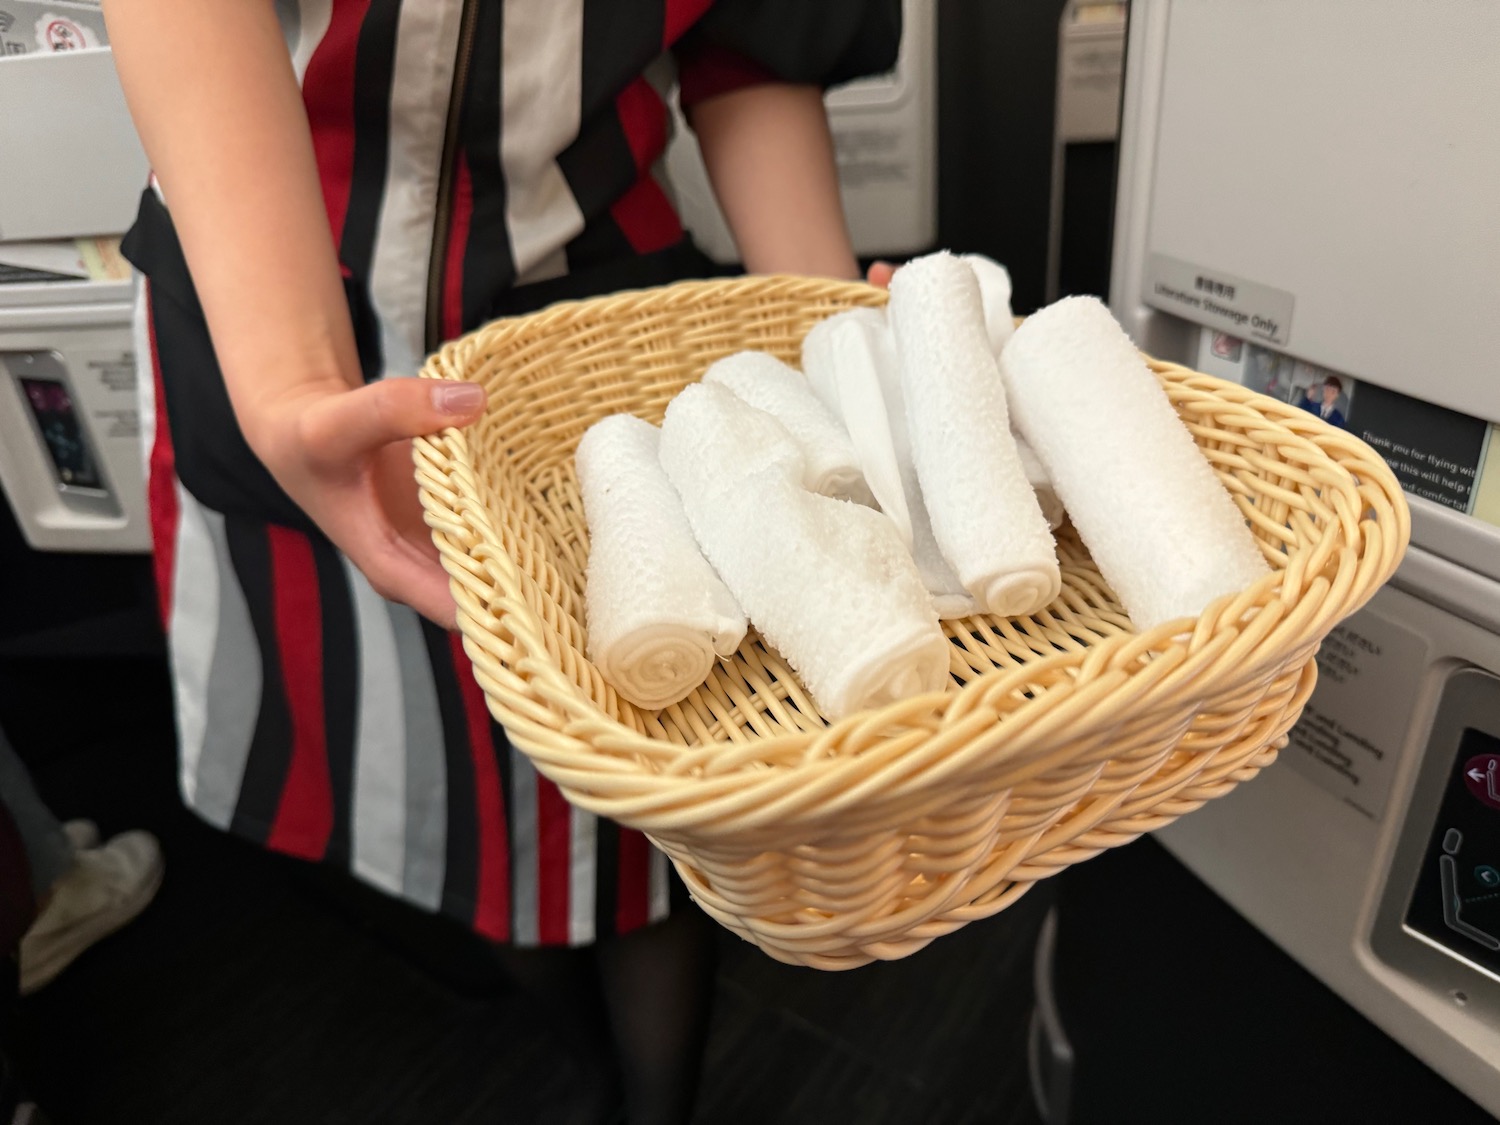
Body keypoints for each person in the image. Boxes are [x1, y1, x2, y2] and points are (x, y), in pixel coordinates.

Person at [102, 2, 900, 1121]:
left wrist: (823, 339)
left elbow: (753, 42)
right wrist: (290, 379)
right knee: (439, 787)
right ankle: (577, 1060)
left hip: (582, 314)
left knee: (629, 796)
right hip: (273, 294)